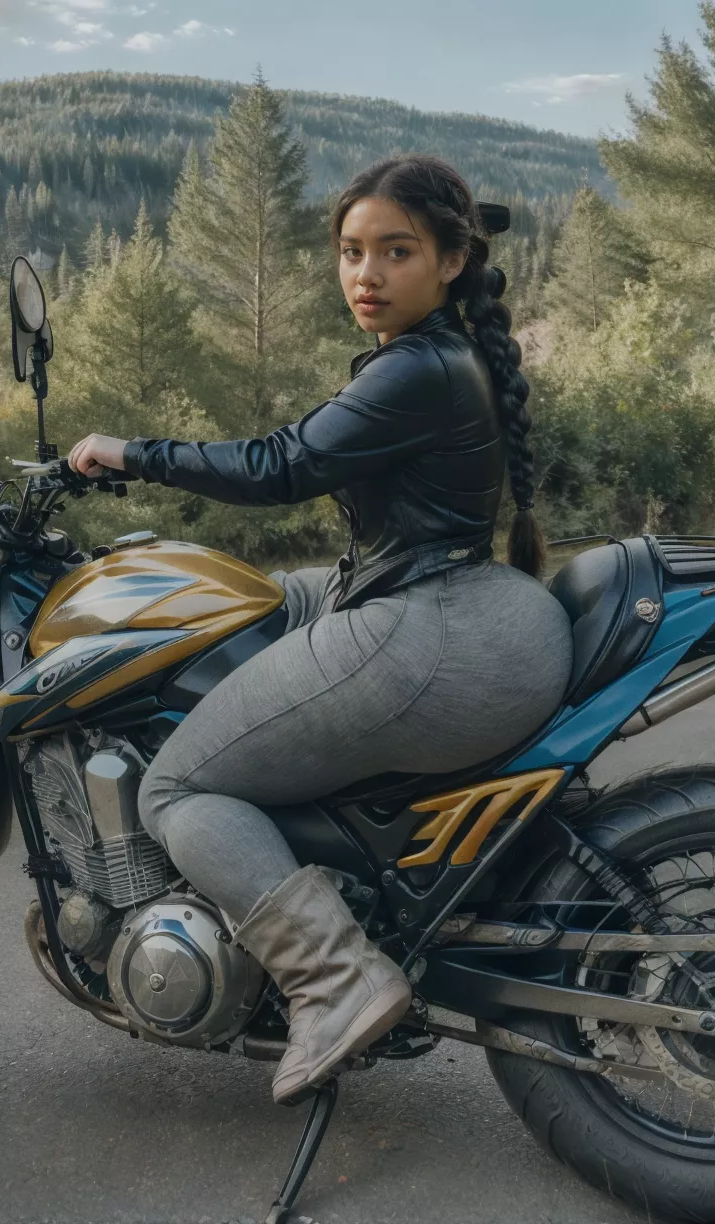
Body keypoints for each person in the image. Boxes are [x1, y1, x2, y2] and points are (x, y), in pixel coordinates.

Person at [67, 155, 574, 1105]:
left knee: (177, 784)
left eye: (396, 251)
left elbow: (280, 466)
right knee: (249, 600)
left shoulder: (419, 369)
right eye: (350, 251)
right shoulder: (434, 356)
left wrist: (130, 454)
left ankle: (333, 978)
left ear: (453, 260)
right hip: (449, 600)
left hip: (433, 634)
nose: (365, 275)